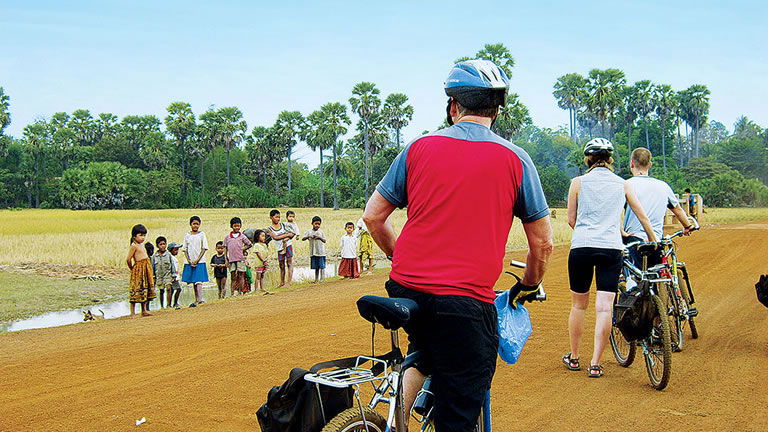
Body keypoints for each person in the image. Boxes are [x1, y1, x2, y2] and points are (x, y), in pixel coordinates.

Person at [363, 59, 553, 431]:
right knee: (462, 401)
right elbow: (543, 243)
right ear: (496, 111)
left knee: (427, 347)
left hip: (405, 286)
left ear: (453, 107)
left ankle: (393, 423)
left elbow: (373, 217)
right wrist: (529, 284)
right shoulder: (516, 159)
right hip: (465, 300)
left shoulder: (417, 148)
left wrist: (399, 257)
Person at [564, 138, 658, 379]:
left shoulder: (577, 182)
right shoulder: (623, 184)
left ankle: (574, 357)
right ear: (610, 159)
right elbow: (642, 215)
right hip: (611, 249)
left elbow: (571, 220)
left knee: (578, 305)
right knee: (605, 307)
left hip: (582, 247)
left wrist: (588, 232)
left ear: (588, 159)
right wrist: (652, 239)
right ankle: (595, 364)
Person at [623, 147, 695, 272]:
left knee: (633, 274)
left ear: (631, 164)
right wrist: (687, 226)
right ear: (650, 165)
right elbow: (677, 210)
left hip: (633, 239)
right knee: (656, 274)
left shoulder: (626, 185)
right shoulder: (663, 186)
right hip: (656, 240)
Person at [127, 224, 156, 317]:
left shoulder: (142, 245)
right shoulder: (134, 246)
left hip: (146, 268)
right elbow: (128, 259)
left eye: (144, 235)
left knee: (145, 288)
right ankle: (132, 313)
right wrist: (132, 268)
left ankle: (144, 310)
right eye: (140, 235)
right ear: (134, 236)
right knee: (136, 289)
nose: (143, 237)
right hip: (139, 269)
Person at [182, 216, 209, 307]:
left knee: (199, 281)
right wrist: (189, 260)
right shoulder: (187, 235)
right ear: (190, 224)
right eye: (194, 224)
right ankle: (196, 299)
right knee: (194, 281)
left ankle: (200, 299)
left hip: (200, 261)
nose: (195, 226)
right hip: (190, 262)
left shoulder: (202, 235)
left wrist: (197, 260)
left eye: (197, 224)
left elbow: (204, 248)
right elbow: (185, 249)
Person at [266, 210, 295, 288]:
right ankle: (282, 282)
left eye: (279, 217)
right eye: (276, 217)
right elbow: (275, 237)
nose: (278, 219)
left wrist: (286, 237)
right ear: (271, 217)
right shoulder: (269, 229)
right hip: (280, 248)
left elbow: (292, 234)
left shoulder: (283, 225)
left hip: (288, 245)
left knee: (289, 263)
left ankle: (289, 282)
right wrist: (286, 235)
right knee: (281, 265)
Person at [224, 217, 252, 295]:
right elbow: (225, 247)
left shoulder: (242, 236)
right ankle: (232, 293)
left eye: (238, 226)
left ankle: (240, 292)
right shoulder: (228, 237)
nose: (237, 228)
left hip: (240, 258)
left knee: (241, 275)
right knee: (233, 276)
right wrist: (225, 258)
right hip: (231, 259)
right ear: (231, 226)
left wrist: (243, 249)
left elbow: (249, 244)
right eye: (235, 226)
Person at [302, 216, 327, 283]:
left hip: (321, 252)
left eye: (319, 224)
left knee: (322, 266)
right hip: (313, 252)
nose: (317, 225)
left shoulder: (321, 232)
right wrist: (308, 236)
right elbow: (303, 238)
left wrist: (319, 237)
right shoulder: (309, 232)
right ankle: (316, 279)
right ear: (312, 223)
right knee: (316, 267)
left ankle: (322, 278)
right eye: (315, 224)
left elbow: (324, 240)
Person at [152, 236, 174, 308]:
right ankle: (162, 306)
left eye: (164, 244)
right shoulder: (154, 256)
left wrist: (173, 275)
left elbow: (172, 265)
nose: (162, 246)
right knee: (161, 290)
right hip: (159, 276)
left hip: (167, 275)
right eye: (160, 244)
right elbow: (153, 267)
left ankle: (168, 305)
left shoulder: (169, 255)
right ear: (157, 246)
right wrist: (153, 277)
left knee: (168, 288)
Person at [251, 229, 271, 295]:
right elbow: (258, 254)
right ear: (257, 237)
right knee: (258, 276)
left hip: (264, 263)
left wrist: (266, 259)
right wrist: (263, 260)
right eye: (262, 236)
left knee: (262, 276)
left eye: (264, 236)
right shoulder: (256, 245)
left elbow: (267, 253)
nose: (264, 237)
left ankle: (262, 288)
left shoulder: (264, 245)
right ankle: (256, 289)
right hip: (259, 263)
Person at [285, 210, 300, 284]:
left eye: (293, 217)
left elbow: (296, 231)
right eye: (290, 216)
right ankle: (284, 281)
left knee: (289, 262)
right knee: (283, 263)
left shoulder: (294, 224)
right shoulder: (284, 224)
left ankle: (289, 280)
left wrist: (297, 235)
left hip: (288, 244)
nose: (291, 218)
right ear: (286, 217)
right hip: (282, 244)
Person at [167, 242, 183, 309]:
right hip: (173, 277)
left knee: (172, 290)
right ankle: (174, 303)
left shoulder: (173, 258)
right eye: (175, 250)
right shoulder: (171, 258)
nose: (177, 251)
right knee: (178, 289)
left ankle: (170, 304)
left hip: (174, 276)